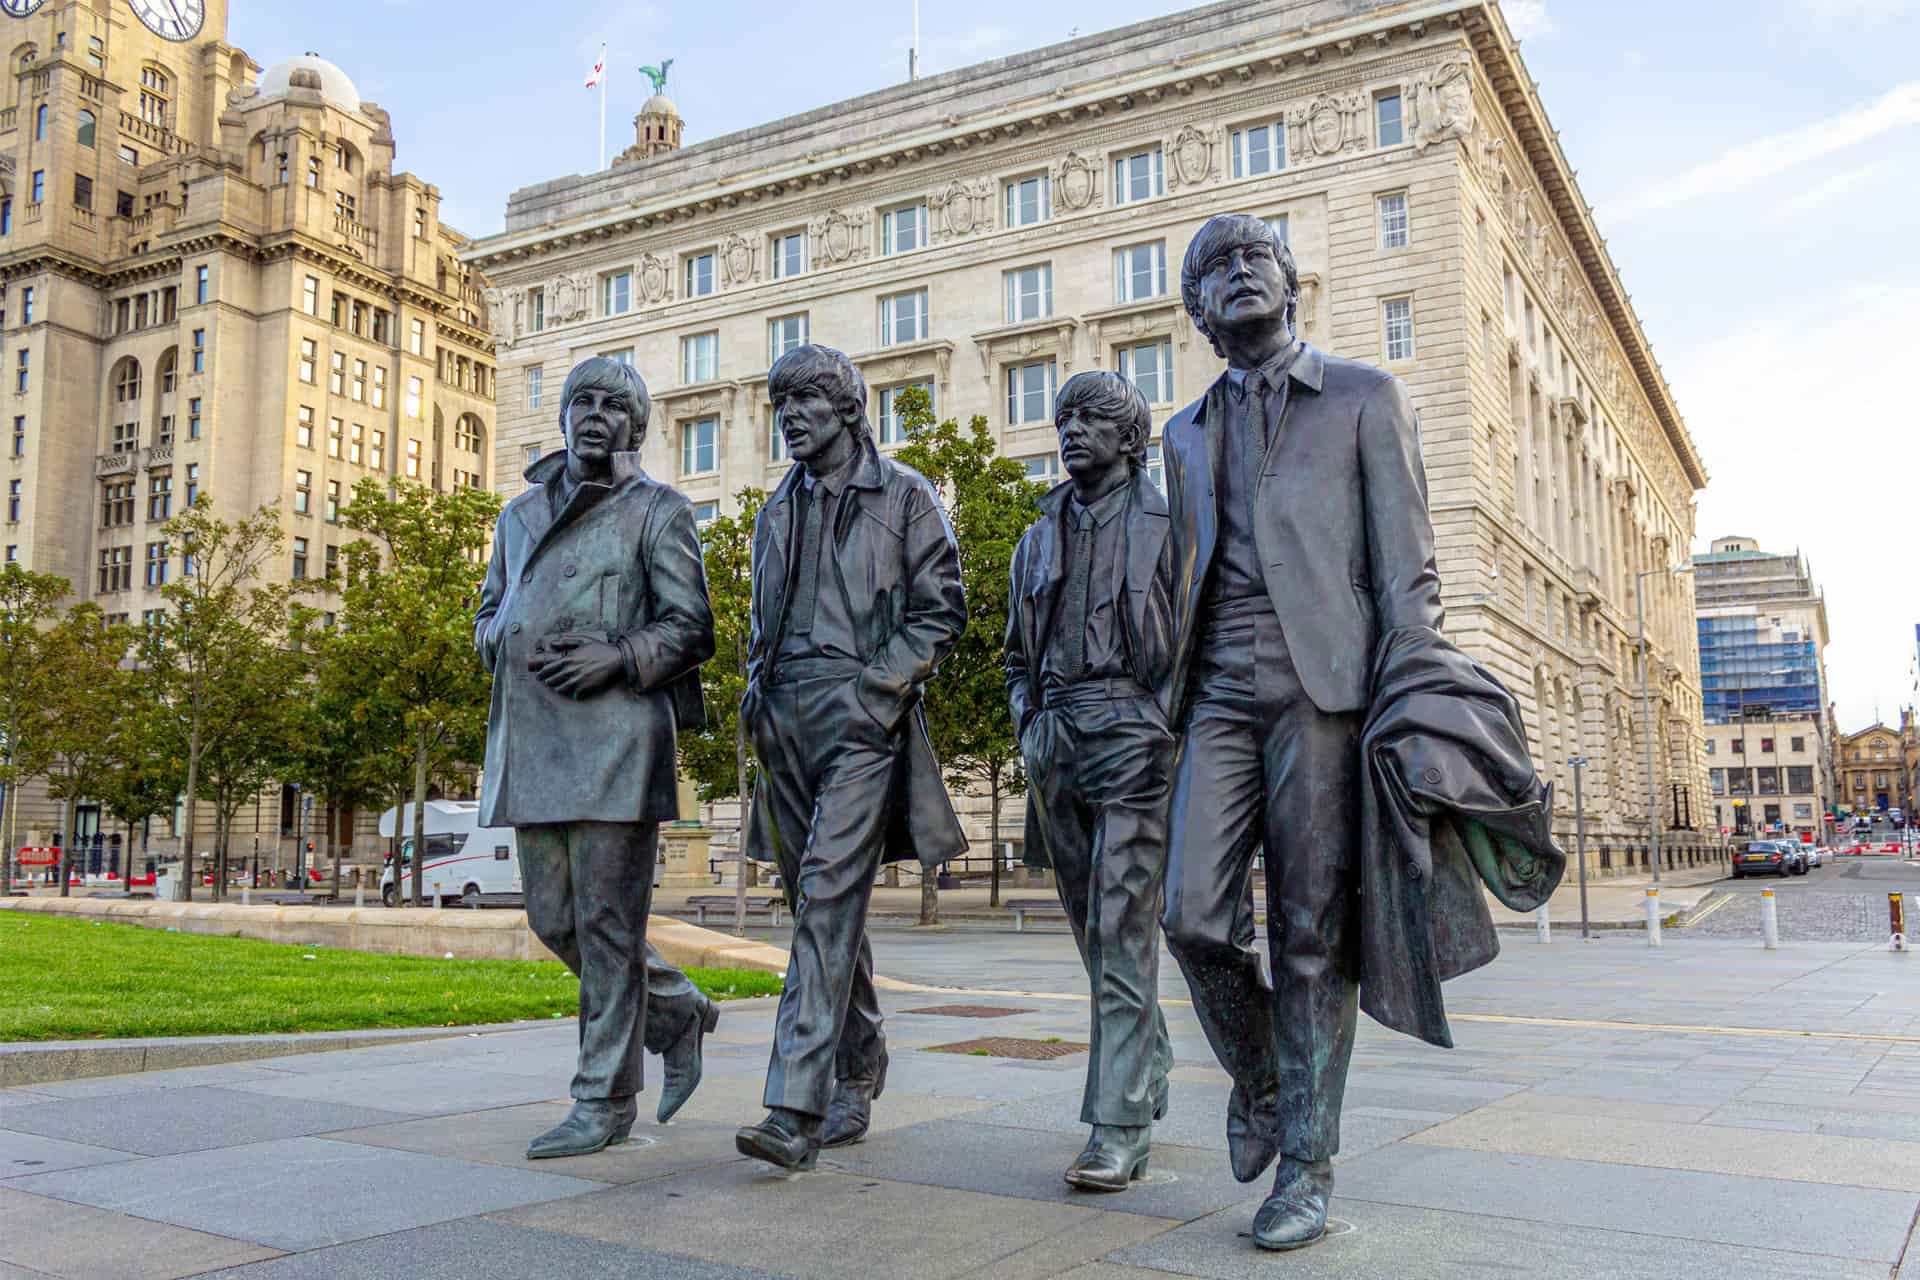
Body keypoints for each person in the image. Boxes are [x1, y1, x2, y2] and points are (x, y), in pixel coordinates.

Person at [474, 355, 719, 1159]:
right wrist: (500, 640)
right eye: (582, 401)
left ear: (636, 427)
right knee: (554, 920)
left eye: (614, 406)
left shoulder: (659, 510)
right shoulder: (517, 515)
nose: (595, 415)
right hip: (535, 737)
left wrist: (616, 655)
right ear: (563, 415)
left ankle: (604, 1099)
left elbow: (691, 627)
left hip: (618, 738)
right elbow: (488, 610)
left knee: (609, 925)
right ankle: (676, 1011)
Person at [735, 344, 968, 1172]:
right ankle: (860, 1062)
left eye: (804, 400)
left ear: (846, 409)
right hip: (784, 722)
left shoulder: (903, 495)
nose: (789, 417)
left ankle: (792, 1106)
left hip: (861, 715)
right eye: (780, 404)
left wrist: (878, 691)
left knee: (830, 898)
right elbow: (760, 623)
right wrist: (756, 699)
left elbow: (942, 609)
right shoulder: (774, 511)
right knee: (818, 905)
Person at [1005, 370, 1176, 1191]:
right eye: (1065, 417)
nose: (1071, 429)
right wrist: (1028, 722)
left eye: (1092, 418)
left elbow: (1199, 638)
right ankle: (1147, 1058)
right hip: (1057, 738)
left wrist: (1163, 722)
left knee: (1119, 926)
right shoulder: (1037, 538)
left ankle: (1118, 1126)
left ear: (1131, 438)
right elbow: (1017, 655)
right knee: (1092, 932)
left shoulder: (1172, 525)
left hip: (1135, 733)